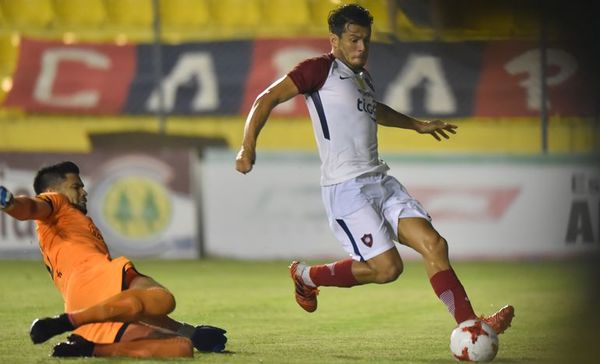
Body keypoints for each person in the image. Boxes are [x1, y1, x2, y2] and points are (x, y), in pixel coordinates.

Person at [235, 3, 514, 334]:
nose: (361, 47)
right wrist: (247, 147)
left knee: (435, 245)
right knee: (387, 269)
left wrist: (416, 125)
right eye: (354, 39)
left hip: (380, 181)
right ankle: (306, 276)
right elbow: (264, 99)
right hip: (346, 188)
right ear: (334, 40)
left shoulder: (363, 78)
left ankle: (470, 327)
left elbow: (373, 110)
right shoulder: (318, 70)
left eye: (366, 40)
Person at [0, 161, 227, 358]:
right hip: (92, 289)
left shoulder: (73, 224)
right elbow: (28, 207)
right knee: (163, 305)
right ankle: (74, 329)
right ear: (50, 191)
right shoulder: (55, 202)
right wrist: (9, 203)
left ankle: (87, 346)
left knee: (181, 344)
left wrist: (191, 333)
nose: (84, 192)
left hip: (102, 288)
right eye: (76, 187)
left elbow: (138, 308)